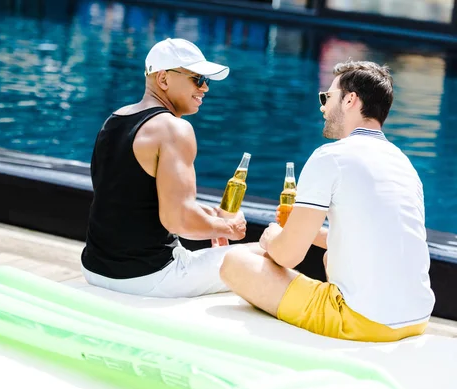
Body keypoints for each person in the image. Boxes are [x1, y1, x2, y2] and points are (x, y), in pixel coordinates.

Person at [219, 61, 435, 342]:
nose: (322, 107)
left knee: (234, 262)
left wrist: (271, 238)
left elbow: (287, 256)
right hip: (417, 318)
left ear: (349, 100)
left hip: (364, 322)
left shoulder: (331, 156)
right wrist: (308, 234)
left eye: (327, 97)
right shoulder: (403, 164)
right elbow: (376, 235)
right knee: (328, 255)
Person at [81, 38, 247, 298]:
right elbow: (178, 220)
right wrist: (228, 228)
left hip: (94, 267)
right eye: (197, 79)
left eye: (207, 81)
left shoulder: (114, 119)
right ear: (163, 79)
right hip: (149, 276)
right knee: (266, 257)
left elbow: (130, 198)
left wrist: (208, 216)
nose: (205, 88)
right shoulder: (174, 129)